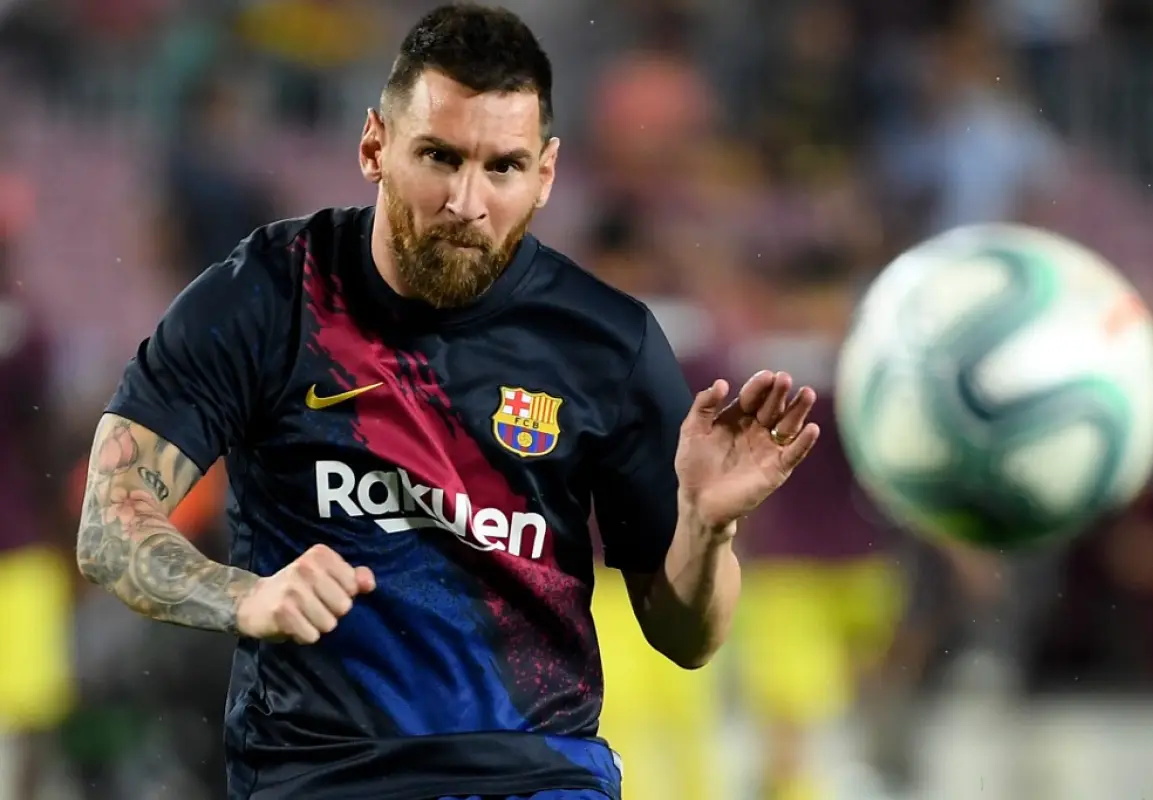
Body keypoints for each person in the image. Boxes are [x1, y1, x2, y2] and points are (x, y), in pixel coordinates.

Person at [73, 5, 820, 800]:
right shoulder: (266, 298)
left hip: (537, 775)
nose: (468, 201)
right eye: (439, 156)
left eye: (502, 166)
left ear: (546, 174)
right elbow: (108, 526)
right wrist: (245, 594)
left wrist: (708, 529)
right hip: (320, 775)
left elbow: (688, 640)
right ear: (375, 146)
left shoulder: (607, 343)